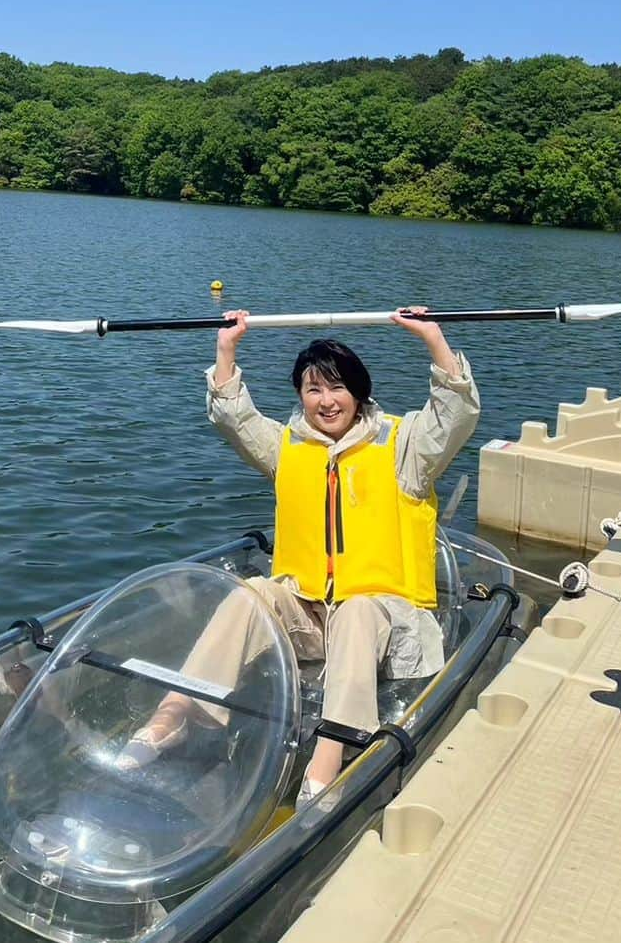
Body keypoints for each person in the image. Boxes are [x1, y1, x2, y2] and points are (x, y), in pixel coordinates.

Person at [119, 306, 480, 806]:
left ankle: (332, 749)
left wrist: (433, 339)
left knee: (356, 609)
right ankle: (174, 712)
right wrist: (228, 347)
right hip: (310, 615)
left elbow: (455, 413)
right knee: (253, 592)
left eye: (338, 389)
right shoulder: (287, 447)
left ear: (360, 393)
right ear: (300, 397)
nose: (327, 401)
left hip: (385, 620)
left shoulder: (405, 447)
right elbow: (234, 417)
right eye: (314, 390)